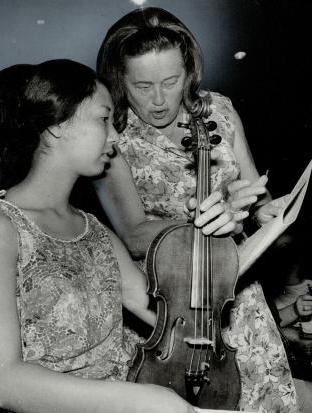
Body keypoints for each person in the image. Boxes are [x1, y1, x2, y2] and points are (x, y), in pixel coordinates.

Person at [93, 6, 310, 412]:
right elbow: (133, 232)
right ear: (119, 80)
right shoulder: (113, 133)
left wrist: (262, 212)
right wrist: (200, 220)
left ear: (189, 72)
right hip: (172, 308)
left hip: (235, 295)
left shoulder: (220, 110)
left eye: (170, 81)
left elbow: (252, 194)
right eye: (142, 86)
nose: (158, 100)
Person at [0, 60, 200, 413]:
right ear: (56, 126)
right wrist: (145, 401)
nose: (115, 138)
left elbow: (171, 318)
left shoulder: (96, 232)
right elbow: (0, 381)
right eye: (103, 120)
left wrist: (219, 234)